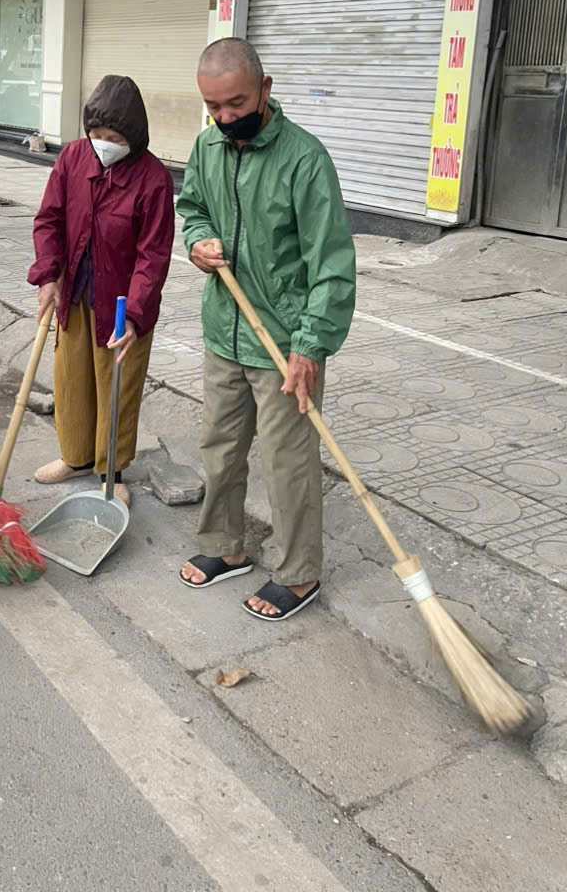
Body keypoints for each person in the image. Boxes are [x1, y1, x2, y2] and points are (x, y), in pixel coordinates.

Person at [176, 38, 355, 620]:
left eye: (236, 103)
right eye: (214, 107)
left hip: (284, 340)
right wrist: (196, 243)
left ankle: (299, 573)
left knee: (288, 461)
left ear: (265, 90)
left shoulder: (305, 159)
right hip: (223, 329)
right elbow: (193, 206)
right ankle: (224, 546)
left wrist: (310, 345)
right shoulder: (207, 147)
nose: (226, 118)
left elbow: (331, 264)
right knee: (220, 448)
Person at [28, 75, 175, 508]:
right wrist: (48, 276)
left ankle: (112, 470)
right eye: (96, 135)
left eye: (114, 138)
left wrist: (135, 313)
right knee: (71, 379)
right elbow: (49, 220)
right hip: (74, 290)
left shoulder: (153, 179)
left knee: (117, 385)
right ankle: (74, 457)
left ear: (133, 136)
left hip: (123, 303)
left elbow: (154, 255)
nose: (103, 144)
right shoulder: (73, 158)